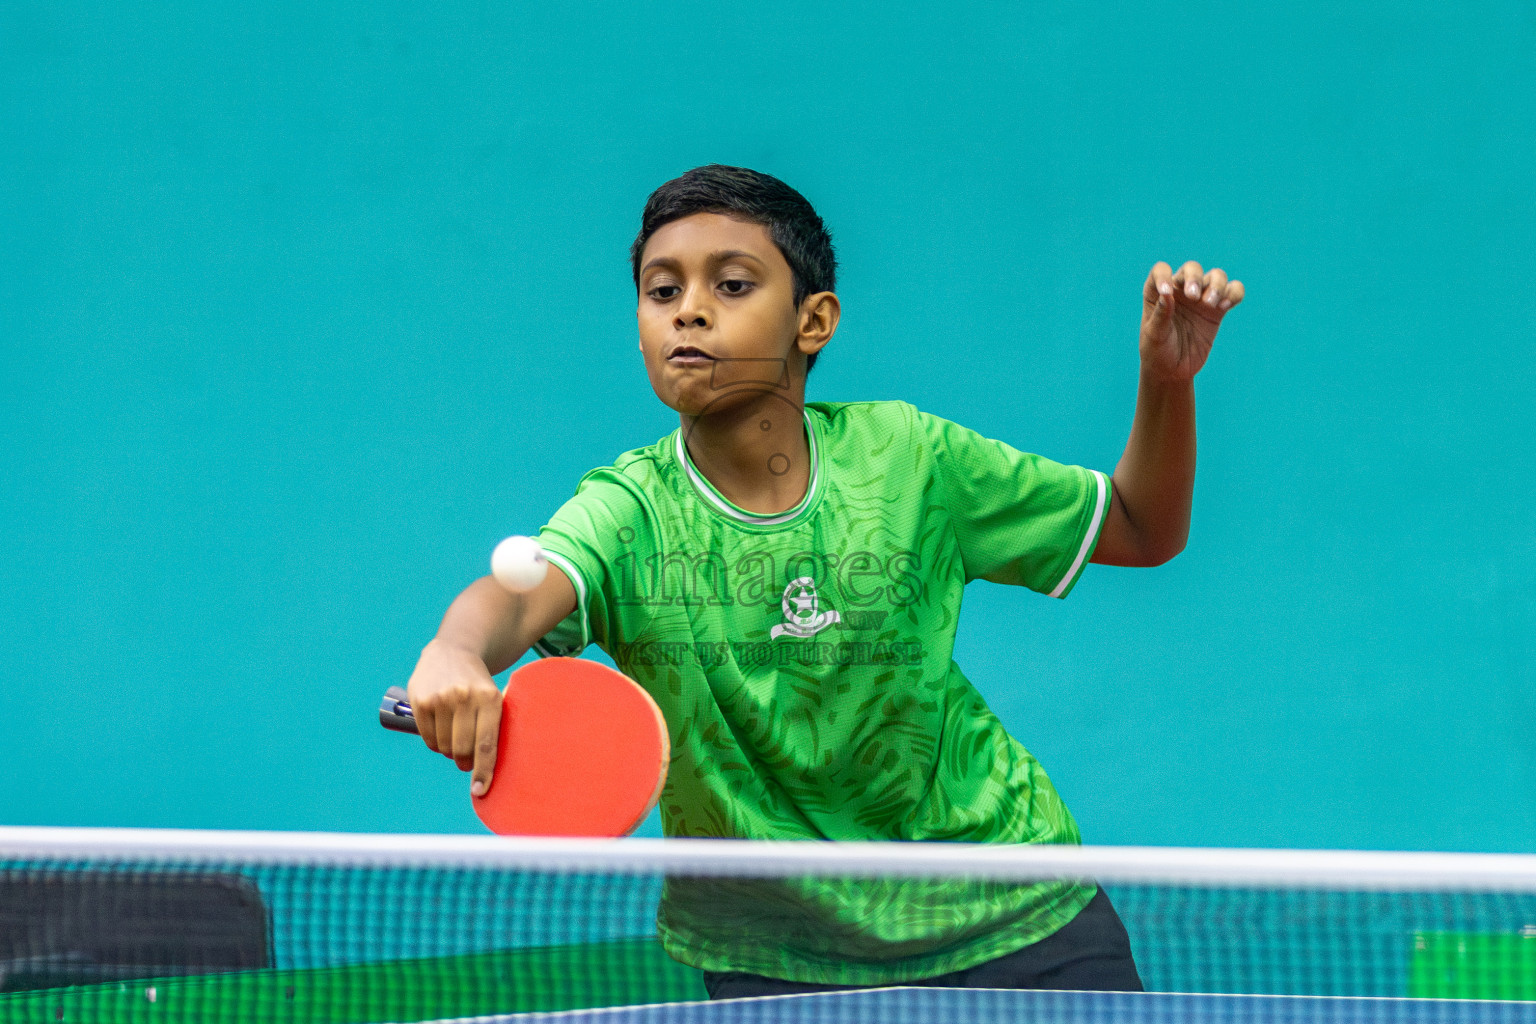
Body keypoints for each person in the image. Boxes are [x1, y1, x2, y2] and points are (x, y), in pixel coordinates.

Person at [404, 164, 1244, 996]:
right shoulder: (630, 512)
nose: (688, 309)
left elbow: (1141, 527)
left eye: (731, 284)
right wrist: (456, 648)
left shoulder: (908, 460)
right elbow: (518, 594)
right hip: (775, 954)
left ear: (814, 321)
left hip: (1013, 910)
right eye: (662, 292)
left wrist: (1166, 383)